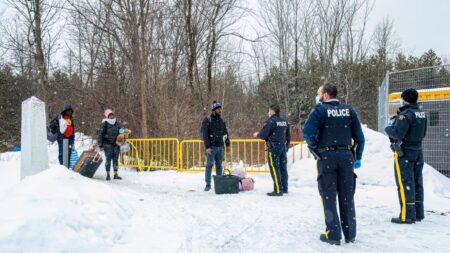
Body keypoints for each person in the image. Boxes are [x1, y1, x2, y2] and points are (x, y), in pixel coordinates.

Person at [302, 83, 365, 245]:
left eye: (319, 93)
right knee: (347, 196)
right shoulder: (349, 110)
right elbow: (360, 137)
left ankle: (333, 234)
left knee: (328, 195)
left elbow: (307, 131)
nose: (318, 96)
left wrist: (315, 149)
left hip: (327, 156)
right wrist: (357, 156)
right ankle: (350, 233)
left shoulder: (320, 110)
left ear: (326, 95)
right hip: (346, 156)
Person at [385, 88, 427, 224]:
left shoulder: (406, 115)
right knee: (417, 181)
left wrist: (389, 128)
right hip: (418, 150)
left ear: (405, 99)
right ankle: (418, 212)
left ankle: (407, 215)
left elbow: (397, 134)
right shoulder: (421, 113)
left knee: (405, 183)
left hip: (405, 152)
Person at [253, 104, 290, 196]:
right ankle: (284, 188)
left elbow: (263, 135)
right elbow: (288, 136)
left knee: (275, 168)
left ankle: (278, 190)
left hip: (274, 147)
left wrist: (257, 134)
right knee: (283, 168)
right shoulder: (284, 121)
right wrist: (286, 147)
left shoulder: (270, 121)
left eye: (269, 110)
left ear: (273, 111)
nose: (268, 112)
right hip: (283, 146)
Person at [201, 101, 230, 191]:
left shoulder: (222, 121)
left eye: (220, 109)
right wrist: (207, 147)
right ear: (213, 110)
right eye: (218, 109)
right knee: (209, 165)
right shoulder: (207, 120)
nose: (220, 110)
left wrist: (227, 144)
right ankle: (208, 184)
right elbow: (204, 134)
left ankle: (219, 183)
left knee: (219, 166)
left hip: (220, 147)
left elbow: (225, 133)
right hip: (211, 147)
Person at [98, 109, 123, 181]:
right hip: (107, 145)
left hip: (116, 144)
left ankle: (115, 174)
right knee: (108, 159)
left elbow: (120, 130)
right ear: (107, 116)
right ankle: (108, 174)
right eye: (110, 115)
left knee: (115, 160)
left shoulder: (116, 123)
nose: (111, 116)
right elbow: (100, 134)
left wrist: (122, 131)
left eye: (112, 114)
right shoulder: (104, 123)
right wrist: (100, 145)